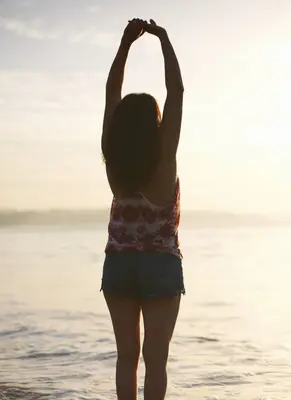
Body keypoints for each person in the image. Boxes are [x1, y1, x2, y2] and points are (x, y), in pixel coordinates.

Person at [100, 18, 185, 400]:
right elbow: (177, 91)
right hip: (160, 265)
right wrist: (163, 39)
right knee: (156, 361)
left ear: (120, 127)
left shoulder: (114, 161)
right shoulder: (164, 159)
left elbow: (111, 91)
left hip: (119, 263)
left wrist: (125, 44)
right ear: (155, 124)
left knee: (126, 359)